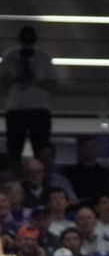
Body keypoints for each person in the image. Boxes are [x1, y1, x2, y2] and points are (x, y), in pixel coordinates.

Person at [0, 26, 57, 164]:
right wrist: (16, 76)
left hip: (37, 108)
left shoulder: (43, 57)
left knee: (41, 148)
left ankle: (41, 177)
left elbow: (53, 84)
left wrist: (34, 80)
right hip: (17, 108)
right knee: (14, 149)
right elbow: (2, 83)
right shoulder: (9, 56)